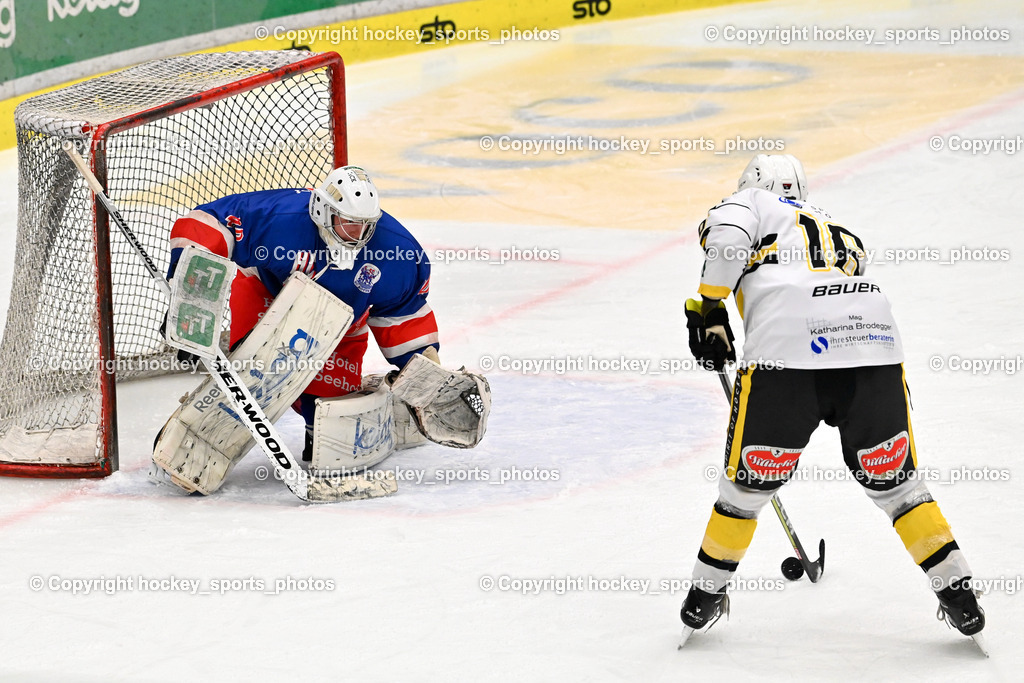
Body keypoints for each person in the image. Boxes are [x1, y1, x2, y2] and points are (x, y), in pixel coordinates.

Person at [679, 154, 984, 643]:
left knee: (746, 489)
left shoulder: (750, 202)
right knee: (900, 487)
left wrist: (708, 308)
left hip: (785, 358)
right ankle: (960, 596)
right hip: (873, 348)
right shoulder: (837, 228)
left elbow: (729, 237)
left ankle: (703, 598)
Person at [165, 165, 440, 460]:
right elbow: (206, 223)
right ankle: (201, 438)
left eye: (365, 225)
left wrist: (428, 379)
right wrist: (191, 303)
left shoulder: (397, 251)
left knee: (330, 419)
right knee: (255, 377)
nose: (357, 235)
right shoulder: (279, 217)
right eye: (349, 223)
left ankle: (349, 420)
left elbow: (403, 315)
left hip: (341, 321)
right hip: (266, 293)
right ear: (323, 210)